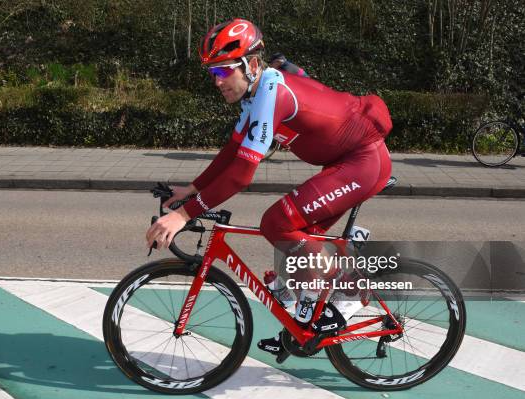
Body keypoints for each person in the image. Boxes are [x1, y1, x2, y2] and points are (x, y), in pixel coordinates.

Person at [145, 18, 393, 357]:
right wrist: (192, 187)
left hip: (362, 162)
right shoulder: (255, 95)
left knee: (276, 223)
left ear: (252, 65)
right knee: (295, 252)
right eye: (211, 74)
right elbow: (233, 151)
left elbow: (242, 175)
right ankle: (304, 325)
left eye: (222, 72)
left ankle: (351, 287)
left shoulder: (271, 94)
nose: (216, 82)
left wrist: (183, 216)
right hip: (344, 163)